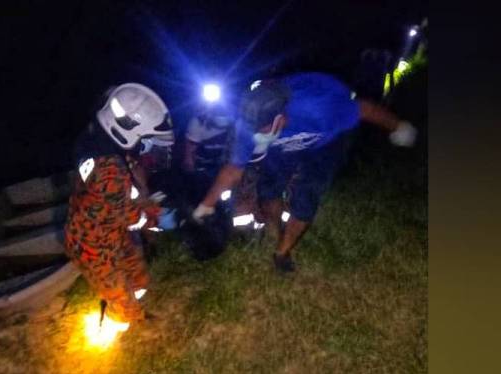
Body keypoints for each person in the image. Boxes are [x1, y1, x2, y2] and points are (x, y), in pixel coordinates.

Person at [192, 72, 417, 272]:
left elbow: (365, 109)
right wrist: (205, 206)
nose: (255, 134)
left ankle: (282, 253)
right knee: (269, 189)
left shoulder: (319, 107)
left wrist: (398, 127)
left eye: (261, 129)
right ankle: (275, 230)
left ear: (281, 118)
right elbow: (232, 170)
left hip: (327, 140)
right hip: (284, 144)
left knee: (308, 192)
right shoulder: (247, 125)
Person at [64, 83, 174, 333]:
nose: (149, 148)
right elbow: (128, 214)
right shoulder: (108, 169)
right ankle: (120, 328)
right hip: (92, 243)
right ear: (125, 131)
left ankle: (137, 304)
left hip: (111, 230)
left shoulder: (101, 141)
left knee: (137, 274)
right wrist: (156, 219)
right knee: (117, 292)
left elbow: (128, 185)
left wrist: (144, 198)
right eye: (146, 141)